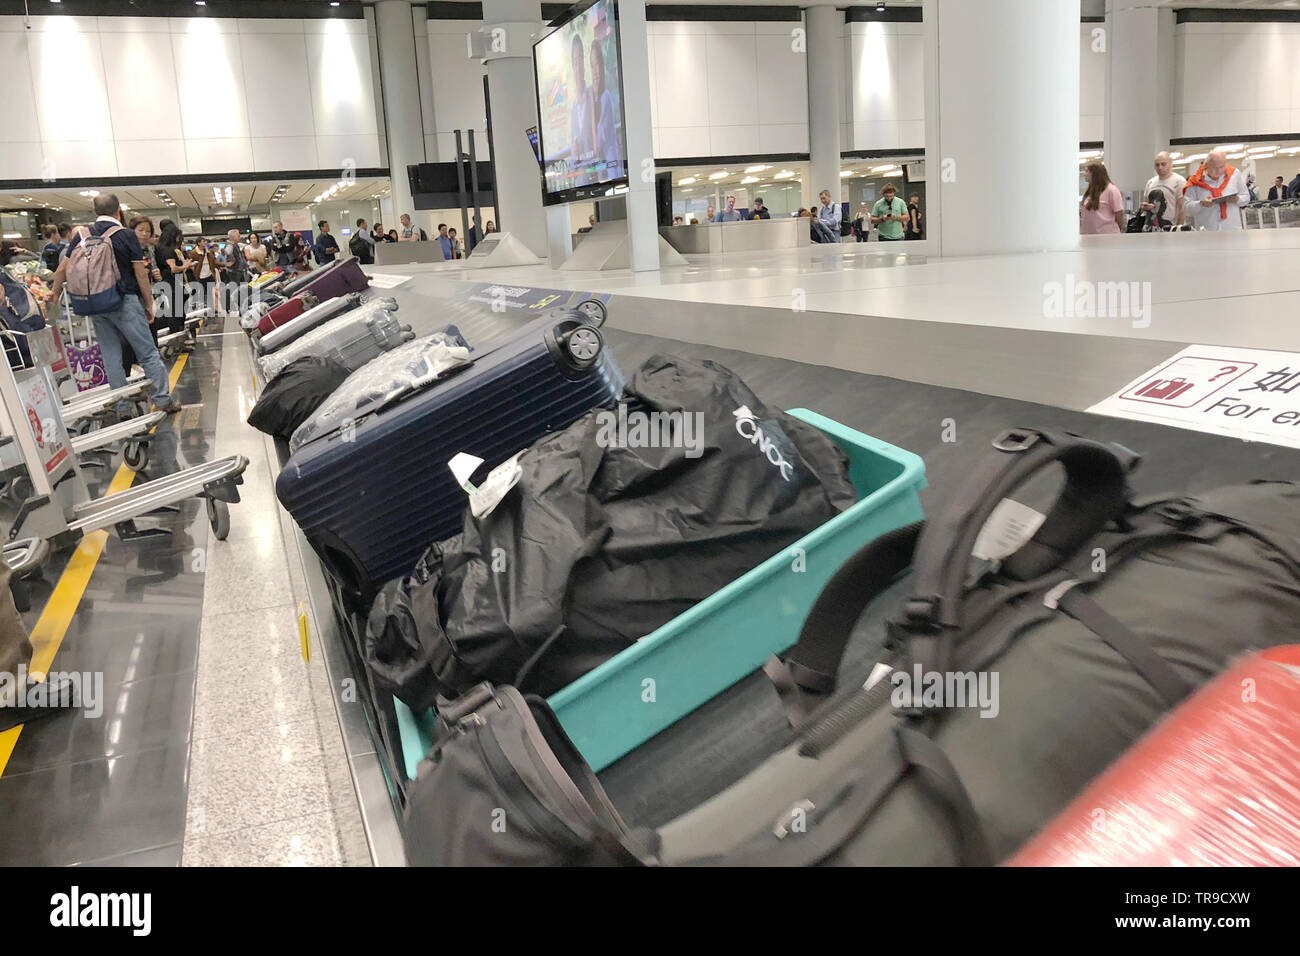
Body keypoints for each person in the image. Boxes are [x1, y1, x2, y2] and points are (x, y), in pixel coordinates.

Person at [48, 193, 179, 415]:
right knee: (147, 352)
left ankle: (122, 405)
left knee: (111, 356)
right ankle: (163, 400)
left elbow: (62, 270)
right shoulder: (126, 235)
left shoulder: (81, 234)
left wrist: (53, 297)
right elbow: (140, 273)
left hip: (95, 304)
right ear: (118, 210)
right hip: (123, 301)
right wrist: (149, 304)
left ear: (94, 212)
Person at [1182, 150, 1249, 231]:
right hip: (1207, 232)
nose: (1219, 171)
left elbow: (1246, 197)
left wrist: (1238, 199)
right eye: (1215, 168)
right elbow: (1187, 208)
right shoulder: (1195, 181)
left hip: (1232, 229)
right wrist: (1201, 204)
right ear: (1206, 165)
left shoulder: (1234, 174)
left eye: (1222, 167)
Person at [589, 40, 622, 164]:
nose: (595, 71)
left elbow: (599, 140)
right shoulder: (594, 96)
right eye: (592, 65)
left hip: (611, 162)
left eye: (597, 64)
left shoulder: (605, 96)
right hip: (602, 165)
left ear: (602, 65)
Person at [1079, 162, 1125, 235]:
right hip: (1089, 238)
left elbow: (1119, 214)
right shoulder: (1090, 192)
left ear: (1095, 173)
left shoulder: (1112, 190)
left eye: (1087, 171)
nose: (1085, 174)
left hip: (1107, 238)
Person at [1142, 151, 1186, 228]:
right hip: (1150, 228)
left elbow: (1182, 209)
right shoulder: (1150, 182)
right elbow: (1145, 203)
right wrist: (1145, 207)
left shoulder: (1179, 181)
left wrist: (1178, 229)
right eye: (1157, 165)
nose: (1160, 167)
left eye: (1163, 164)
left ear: (1170, 164)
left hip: (1170, 229)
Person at [569, 34, 594, 162]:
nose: (578, 66)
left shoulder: (593, 97)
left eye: (580, 59)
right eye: (575, 62)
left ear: (584, 63)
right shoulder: (573, 110)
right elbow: (574, 159)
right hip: (581, 177)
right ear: (572, 67)